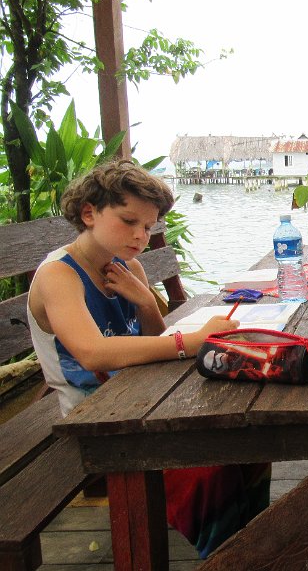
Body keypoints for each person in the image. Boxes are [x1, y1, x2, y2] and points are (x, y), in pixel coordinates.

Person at [26, 160, 270, 557]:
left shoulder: (128, 267)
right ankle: (231, 555)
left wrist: (144, 300)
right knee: (208, 470)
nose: (141, 235)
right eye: (129, 221)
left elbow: (154, 340)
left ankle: (254, 544)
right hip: (98, 422)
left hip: (143, 398)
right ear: (89, 213)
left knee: (251, 443)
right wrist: (191, 341)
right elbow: (91, 353)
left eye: (149, 227)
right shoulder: (60, 275)